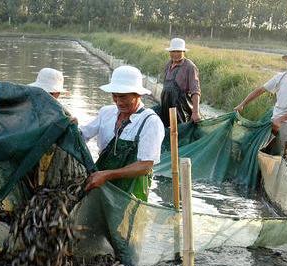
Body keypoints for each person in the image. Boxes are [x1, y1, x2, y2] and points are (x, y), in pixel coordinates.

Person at [80, 65, 165, 202]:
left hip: (131, 191)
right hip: (101, 183)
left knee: (125, 223)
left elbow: (145, 165)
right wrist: (69, 125)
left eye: (123, 97)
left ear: (138, 95)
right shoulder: (106, 112)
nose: (118, 102)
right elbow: (82, 135)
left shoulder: (150, 122)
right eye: (114, 96)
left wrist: (107, 175)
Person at [234, 47, 287, 154]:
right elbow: (261, 90)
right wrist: (242, 104)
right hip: (275, 120)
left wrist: (280, 120)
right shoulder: (280, 77)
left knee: (281, 155)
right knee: (264, 151)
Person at [156, 38, 201, 127]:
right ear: (170, 52)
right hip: (165, 108)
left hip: (181, 111)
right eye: (173, 51)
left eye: (178, 51)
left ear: (183, 52)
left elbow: (195, 91)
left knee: (180, 135)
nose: (175, 54)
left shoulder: (190, 67)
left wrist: (195, 112)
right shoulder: (168, 65)